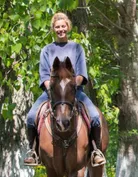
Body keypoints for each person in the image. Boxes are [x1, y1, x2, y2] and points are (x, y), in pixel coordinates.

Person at [24, 12, 105, 167]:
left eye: (63, 26)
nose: (60, 29)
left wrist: (71, 86)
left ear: (68, 27)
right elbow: (44, 76)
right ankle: (33, 151)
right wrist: (52, 89)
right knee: (30, 117)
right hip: (52, 93)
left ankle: (95, 151)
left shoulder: (76, 48)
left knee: (94, 116)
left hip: (74, 92)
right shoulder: (46, 50)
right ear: (53, 29)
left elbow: (82, 74)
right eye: (57, 27)